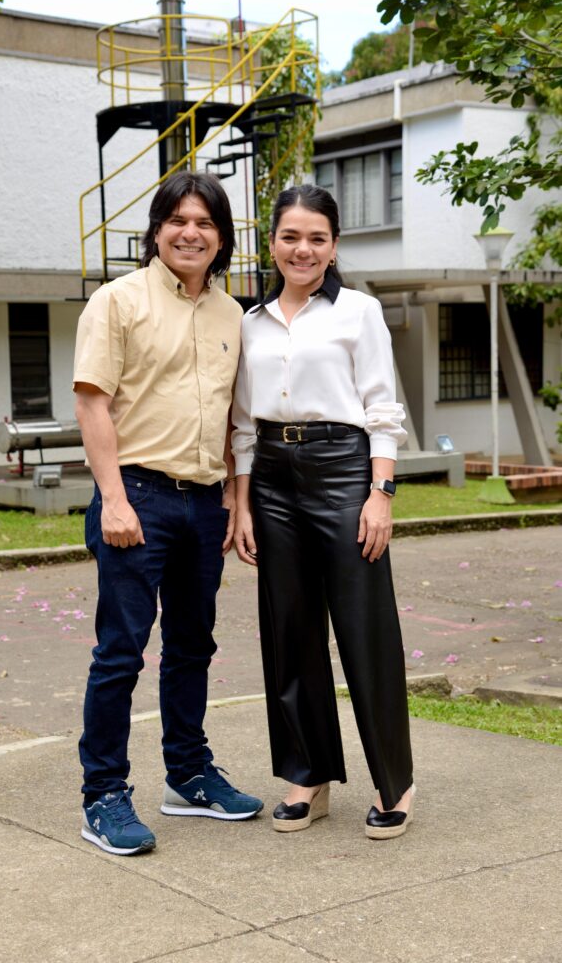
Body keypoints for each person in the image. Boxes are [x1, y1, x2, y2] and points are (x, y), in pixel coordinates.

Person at [73, 171, 263, 857]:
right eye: (178, 220)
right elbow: (93, 402)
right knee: (121, 652)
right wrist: (115, 497)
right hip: (138, 497)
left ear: (222, 239)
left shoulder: (233, 315)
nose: (191, 232)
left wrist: (235, 500)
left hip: (204, 503)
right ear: (156, 230)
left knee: (192, 646)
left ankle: (187, 776)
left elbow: (235, 419)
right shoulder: (117, 301)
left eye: (206, 223)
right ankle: (103, 795)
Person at [232, 184, 415, 840]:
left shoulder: (359, 312)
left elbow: (383, 409)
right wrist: (244, 501)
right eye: (290, 236)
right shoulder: (248, 321)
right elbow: (244, 424)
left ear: (334, 245)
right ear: (272, 243)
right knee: (290, 632)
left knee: (364, 629)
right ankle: (307, 777)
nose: (302, 248)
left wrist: (380, 494)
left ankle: (395, 782)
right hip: (274, 479)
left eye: (317, 237)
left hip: (344, 470)